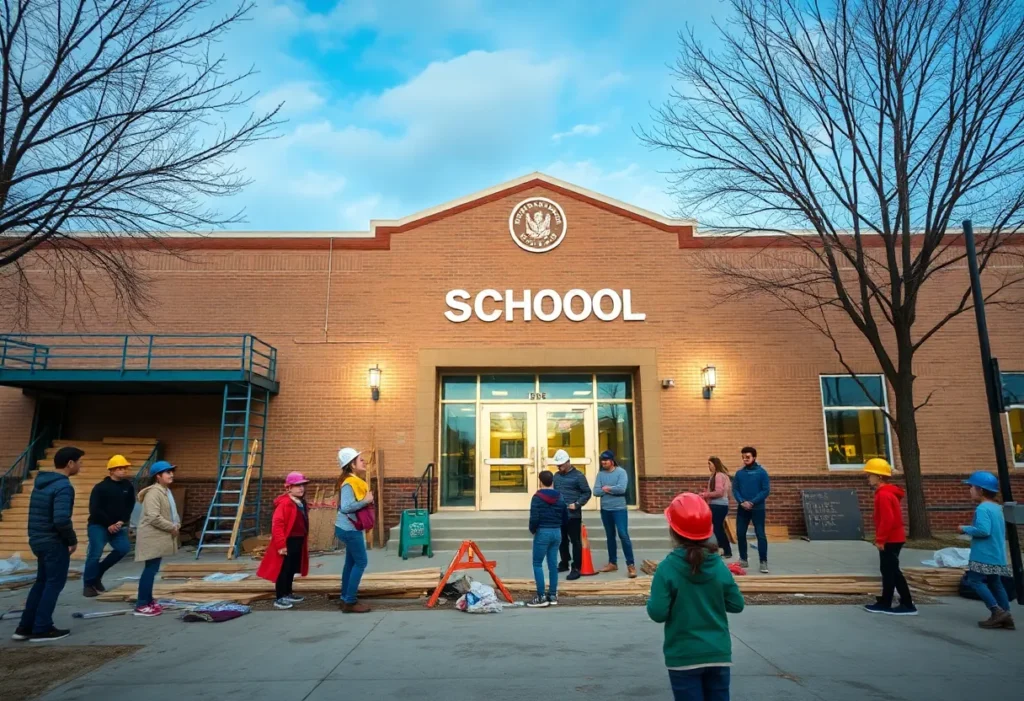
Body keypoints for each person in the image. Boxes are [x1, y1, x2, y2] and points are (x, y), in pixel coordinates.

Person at [648, 492, 745, 701]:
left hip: (683, 655)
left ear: (673, 530)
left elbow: (657, 612)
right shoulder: (718, 565)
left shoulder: (667, 568)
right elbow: (736, 604)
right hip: (718, 653)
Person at [12, 446, 83, 642]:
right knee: (53, 583)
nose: (81, 466)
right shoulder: (63, 486)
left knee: (41, 582)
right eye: (79, 462)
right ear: (70, 463)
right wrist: (71, 540)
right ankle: (42, 627)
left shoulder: (41, 483)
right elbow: (60, 519)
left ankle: (24, 627)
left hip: (38, 539)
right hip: (53, 542)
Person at [959, 471, 1014, 630]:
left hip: (983, 554)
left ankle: (996, 611)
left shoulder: (983, 508)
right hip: (996, 553)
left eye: (971, 487)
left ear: (981, 490)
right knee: (995, 582)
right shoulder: (997, 508)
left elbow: (983, 530)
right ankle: (1006, 614)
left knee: (974, 581)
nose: (969, 490)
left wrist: (965, 528)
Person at [862, 458, 916, 615]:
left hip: (890, 539)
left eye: (870, 475)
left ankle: (905, 603)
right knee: (888, 570)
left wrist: (880, 539)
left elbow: (888, 519)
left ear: (879, 477)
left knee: (892, 571)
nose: (868, 478)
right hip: (893, 538)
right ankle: (887, 600)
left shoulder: (884, 495)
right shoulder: (887, 492)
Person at [82, 454, 136, 597]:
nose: (123, 471)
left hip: (118, 526)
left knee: (123, 548)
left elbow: (130, 505)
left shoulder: (127, 486)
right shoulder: (101, 487)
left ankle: (98, 573)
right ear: (111, 470)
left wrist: (121, 521)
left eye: (124, 468)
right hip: (98, 525)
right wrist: (108, 524)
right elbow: (95, 509)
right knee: (95, 554)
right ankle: (88, 584)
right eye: (119, 468)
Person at [257, 472, 311, 610]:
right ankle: (280, 597)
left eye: (303, 485)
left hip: (298, 540)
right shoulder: (285, 504)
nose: (301, 488)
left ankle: (288, 593)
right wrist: (281, 545)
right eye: (297, 486)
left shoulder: (300, 502)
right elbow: (277, 524)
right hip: (288, 541)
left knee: (292, 568)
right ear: (288, 488)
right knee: (283, 569)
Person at [134, 461, 180, 617]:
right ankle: (142, 604)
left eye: (171, 471)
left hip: (158, 536)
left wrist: (177, 522)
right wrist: (171, 527)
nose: (171, 474)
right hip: (151, 537)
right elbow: (153, 517)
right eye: (167, 472)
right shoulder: (154, 493)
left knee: (152, 569)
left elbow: (172, 512)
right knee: (150, 570)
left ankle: (148, 600)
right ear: (158, 476)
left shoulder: (165, 491)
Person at [335, 447, 373, 613]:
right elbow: (346, 507)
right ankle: (350, 601)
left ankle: (345, 597)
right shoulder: (349, 483)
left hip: (347, 527)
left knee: (350, 563)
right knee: (361, 562)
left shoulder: (352, 480)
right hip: (350, 529)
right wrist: (365, 501)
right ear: (351, 465)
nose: (363, 461)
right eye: (360, 459)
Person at [528, 470, 569, 608]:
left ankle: (541, 596)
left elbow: (534, 518)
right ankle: (552, 595)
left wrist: (533, 530)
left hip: (543, 532)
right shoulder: (560, 497)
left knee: (537, 563)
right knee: (553, 564)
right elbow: (565, 516)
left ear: (540, 481)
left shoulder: (537, 497)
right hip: (556, 532)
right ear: (553, 481)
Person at [593, 450, 636, 578]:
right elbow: (595, 491)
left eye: (606, 460)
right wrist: (612, 489)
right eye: (602, 460)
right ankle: (612, 563)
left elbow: (622, 489)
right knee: (610, 536)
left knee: (623, 534)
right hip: (606, 509)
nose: (603, 462)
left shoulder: (621, 472)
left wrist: (606, 488)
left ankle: (631, 565)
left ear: (612, 461)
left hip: (619, 509)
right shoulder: (600, 474)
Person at [552, 449, 591, 580]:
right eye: (558, 465)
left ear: (568, 462)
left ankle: (576, 567)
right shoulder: (556, 476)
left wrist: (578, 503)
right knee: (561, 540)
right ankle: (564, 562)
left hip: (573, 515)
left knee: (575, 541)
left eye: (561, 465)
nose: (559, 467)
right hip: (559, 514)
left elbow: (587, 492)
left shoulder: (578, 476)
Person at [732, 446, 770, 573]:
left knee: (760, 534)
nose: (745, 459)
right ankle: (743, 559)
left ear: (754, 457)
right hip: (742, 508)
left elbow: (765, 490)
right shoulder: (739, 474)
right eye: (743, 457)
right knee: (740, 533)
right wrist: (742, 501)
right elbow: (735, 489)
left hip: (758, 508)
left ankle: (763, 561)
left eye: (747, 457)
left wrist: (752, 502)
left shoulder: (762, 473)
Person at [700, 457, 732, 559]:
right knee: (718, 528)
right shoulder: (722, 476)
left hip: (718, 505)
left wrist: (705, 494)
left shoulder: (718, 476)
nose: (708, 466)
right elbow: (728, 493)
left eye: (709, 464)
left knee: (717, 528)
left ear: (714, 464)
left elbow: (719, 492)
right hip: (721, 505)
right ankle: (722, 549)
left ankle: (726, 550)